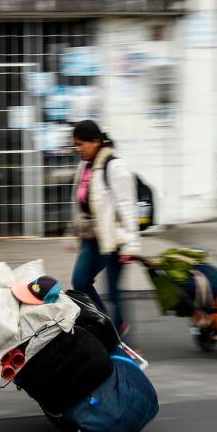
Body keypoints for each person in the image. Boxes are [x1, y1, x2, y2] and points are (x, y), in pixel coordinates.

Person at [71, 120, 141, 336]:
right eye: (76, 144)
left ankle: (121, 337)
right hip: (92, 237)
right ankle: (105, 325)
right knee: (80, 281)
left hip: (114, 240)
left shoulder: (114, 166)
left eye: (81, 144)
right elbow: (83, 201)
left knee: (113, 292)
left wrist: (131, 244)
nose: (78, 149)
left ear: (96, 142)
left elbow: (128, 207)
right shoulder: (86, 166)